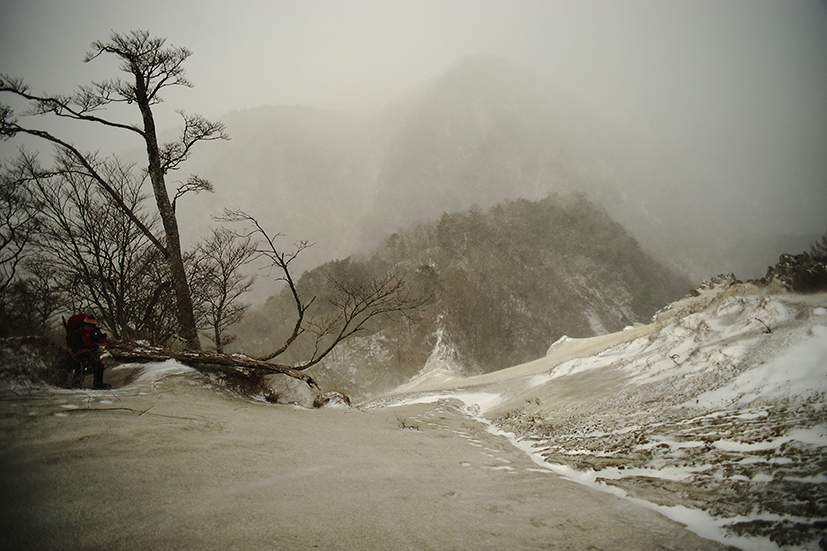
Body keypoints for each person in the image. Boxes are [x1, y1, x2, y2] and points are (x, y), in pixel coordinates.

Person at [67, 315, 109, 389]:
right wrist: (89, 348)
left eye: (91, 327)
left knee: (99, 366)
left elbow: (101, 341)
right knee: (80, 367)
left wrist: (102, 338)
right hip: (80, 354)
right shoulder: (77, 333)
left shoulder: (95, 331)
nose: (89, 328)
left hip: (92, 353)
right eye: (88, 326)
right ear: (84, 325)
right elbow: (76, 346)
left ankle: (98, 384)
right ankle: (76, 383)